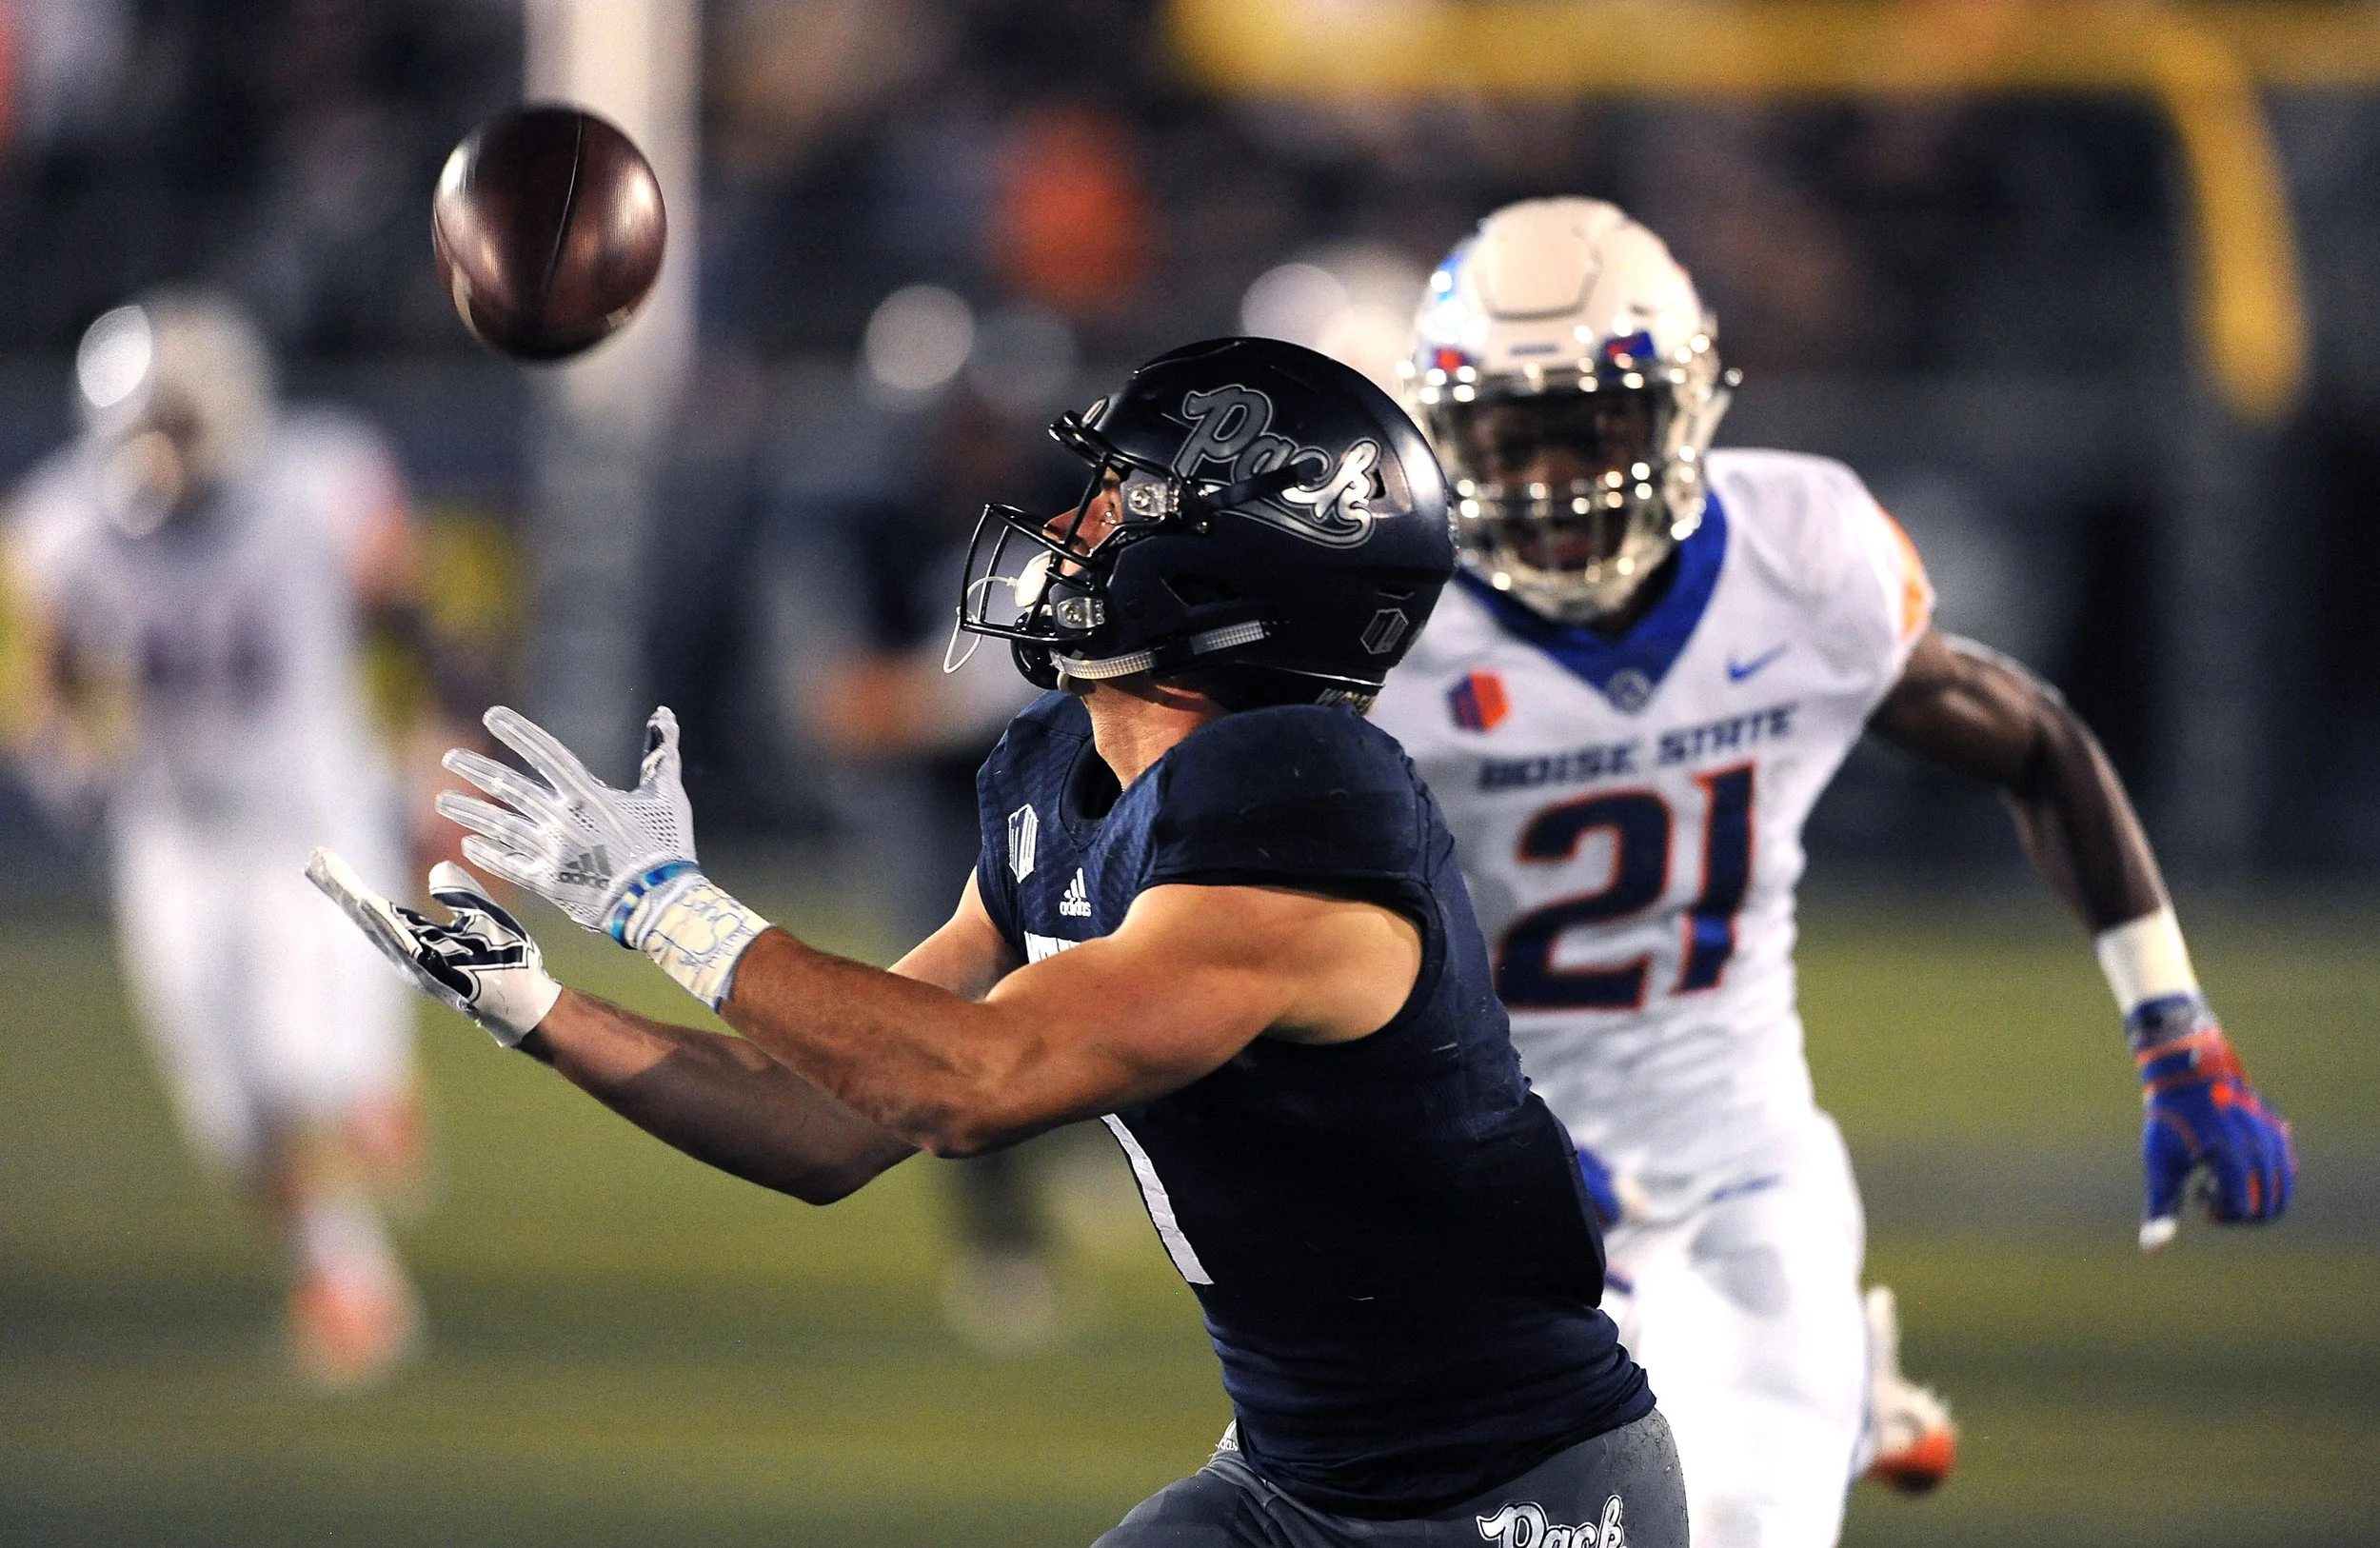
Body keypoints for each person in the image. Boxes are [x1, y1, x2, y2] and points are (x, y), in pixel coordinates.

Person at [309, 338, 1693, 1545]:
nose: (1069, 522)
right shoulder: (1057, 778)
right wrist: (539, 1002)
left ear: (1234, 563)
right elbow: (826, 1121)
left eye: (1123, 500)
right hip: (1293, 1482)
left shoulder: (1307, 800)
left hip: (1513, 1501)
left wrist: (662, 900)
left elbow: (968, 1085)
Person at [1367, 198, 2297, 1548]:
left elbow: (2034, 742)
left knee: (1740, 1530)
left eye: (1595, 428)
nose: (1561, 483)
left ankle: (1808, 1361)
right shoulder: (1392, 630)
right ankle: (1837, 1379)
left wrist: (2177, 1033)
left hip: (1733, 1162)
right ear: (1446, 437)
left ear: (1682, 412)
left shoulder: (1805, 551)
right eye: (1515, 437)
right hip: (1480, 1193)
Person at [0, 292, 454, 1388]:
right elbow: (45, 670)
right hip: (173, 839)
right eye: (151, 422)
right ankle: (340, 1247)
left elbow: (410, 616)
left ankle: (356, 1265)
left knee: (306, 1069)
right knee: (231, 1111)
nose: (168, 449)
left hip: (310, 816)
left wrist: (434, 741)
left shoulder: (318, 483)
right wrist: (58, 744)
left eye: (184, 420)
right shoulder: (62, 521)